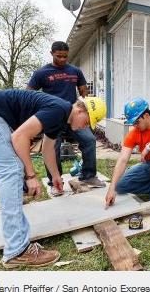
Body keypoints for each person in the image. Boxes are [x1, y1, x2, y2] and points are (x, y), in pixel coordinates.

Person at [0, 89, 105, 268]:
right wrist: (30, 176)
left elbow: (47, 149)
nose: (86, 127)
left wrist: (55, 176)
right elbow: (19, 136)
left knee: (11, 167)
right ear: (80, 111)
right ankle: (17, 250)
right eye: (87, 122)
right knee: (12, 169)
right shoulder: (59, 109)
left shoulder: (61, 117)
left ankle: (15, 208)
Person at [28, 42, 105, 193]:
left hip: (73, 115)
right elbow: (30, 93)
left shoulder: (75, 70)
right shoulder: (41, 73)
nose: (63, 59)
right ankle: (55, 182)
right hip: (53, 117)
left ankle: (88, 176)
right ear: (51, 53)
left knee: (89, 139)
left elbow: (84, 92)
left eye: (65, 56)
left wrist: (87, 112)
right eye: (59, 56)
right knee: (52, 147)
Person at [105, 99, 150, 208]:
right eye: (132, 123)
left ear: (146, 115)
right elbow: (122, 160)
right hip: (148, 165)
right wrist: (111, 188)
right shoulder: (133, 133)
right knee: (119, 186)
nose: (134, 125)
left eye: (136, 122)